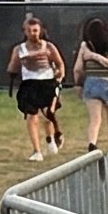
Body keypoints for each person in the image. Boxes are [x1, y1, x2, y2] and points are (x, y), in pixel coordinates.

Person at [8, 15, 66, 161]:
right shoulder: (19, 49)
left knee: (48, 114)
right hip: (29, 84)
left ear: (40, 31)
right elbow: (12, 68)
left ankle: (51, 137)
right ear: (25, 32)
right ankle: (36, 151)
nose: (33, 33)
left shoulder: (49, 47)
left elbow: (60, 64)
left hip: (47, 83)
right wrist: (18, 63)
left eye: (35, 30)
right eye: (30, 30)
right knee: (32, 116)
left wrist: (59, 77)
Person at [74, 17, 108, 152]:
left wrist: (78, 84)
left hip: (92, 83)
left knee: (95, 119)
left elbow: (78, 68)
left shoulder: (86, 47)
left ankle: (92, 143)